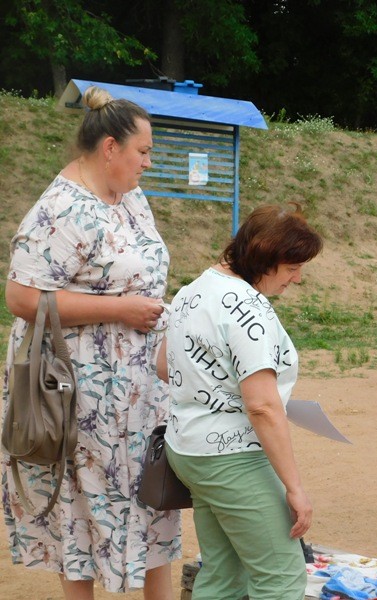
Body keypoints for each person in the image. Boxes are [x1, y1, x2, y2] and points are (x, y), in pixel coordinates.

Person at [2, 86, 179, 598]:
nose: (148, 163)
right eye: (143, 152)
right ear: (110, 148)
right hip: (77, 394)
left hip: (138, 392)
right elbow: (21, 297)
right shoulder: (60, 208)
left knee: (154, 500)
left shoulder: (129, 197)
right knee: (79, 508)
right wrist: (119, 309)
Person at [157, 203, 322, 600]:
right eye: (292, 268)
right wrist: (294, 488)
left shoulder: (192, 290)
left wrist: (215, 390)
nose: (298, 278)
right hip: (234, 457)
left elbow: (165, 365)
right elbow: (262, 406)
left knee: (223, 573)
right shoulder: (249, 306)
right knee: (281, 578)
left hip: (188, 448)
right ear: (265, 258)